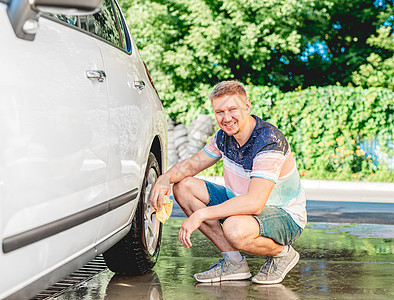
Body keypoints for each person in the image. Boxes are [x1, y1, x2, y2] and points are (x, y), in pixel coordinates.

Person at [150, 80, 307, 284]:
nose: (226, 118)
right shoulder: (224, 137)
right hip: (242, 204)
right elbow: (191, 165)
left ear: (247, 106)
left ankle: (283, 254)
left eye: (232, 109)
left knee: (234, 228)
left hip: (284, 216)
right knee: (183, 186)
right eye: (219, 112)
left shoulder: (269, 141)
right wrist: (164, 178)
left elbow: (254, 203)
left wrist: (201, 214)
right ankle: (234, 263)